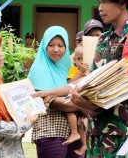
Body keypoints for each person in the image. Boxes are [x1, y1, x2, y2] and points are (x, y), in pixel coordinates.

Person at [70, 0, 128, 157]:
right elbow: (91, 78)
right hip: (95, 127)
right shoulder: (104, 39)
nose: (100, 8)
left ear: (122, 3)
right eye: (100, 2)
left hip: (117, 131)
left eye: (105, 1)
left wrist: (90, 104)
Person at [28, 26, 84, 158]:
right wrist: (86, 105)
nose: (56, 49)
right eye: (51, 45)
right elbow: (55, 103)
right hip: (50, 132)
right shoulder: (39, 69)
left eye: (61, 45)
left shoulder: (69, 68)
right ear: (44, 46)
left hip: (74, 132)